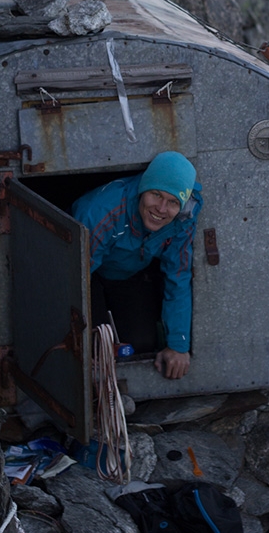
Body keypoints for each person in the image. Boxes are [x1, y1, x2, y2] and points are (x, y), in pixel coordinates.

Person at [72, 151, 202, 380]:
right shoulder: (103, 211)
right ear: (144, 188)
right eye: (156, 194)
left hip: (128, 273)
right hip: (84, 274)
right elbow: (72, 280)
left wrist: (178, 344)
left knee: (141, 344)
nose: (161, 209)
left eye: (172, 202)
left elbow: (178, 276)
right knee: (96, 346)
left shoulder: (182, 219)